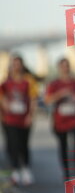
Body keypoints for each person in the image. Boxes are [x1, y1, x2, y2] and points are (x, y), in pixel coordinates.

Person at [45, 58, 75, 180]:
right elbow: (47, 100)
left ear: (70, 67)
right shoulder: (54, 84)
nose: (65, 69)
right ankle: (66, 172)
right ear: (59, 68)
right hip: (61, 120)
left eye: (67, 66)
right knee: (63, 145)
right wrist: (60, 94)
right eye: (63, 66)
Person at [0, 55, 39, 185]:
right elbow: (2, 97)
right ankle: (15, 170)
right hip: (10, 119)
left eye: (18, 64)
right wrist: (5, 106)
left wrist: (30, 115)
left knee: (23, 144)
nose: (16, 67)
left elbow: (33, 98)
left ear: (22, 65)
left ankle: (26, 169)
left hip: (24, 119)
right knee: (12, 144)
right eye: (14, 64)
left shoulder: (28, 81)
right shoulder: (6, 82)